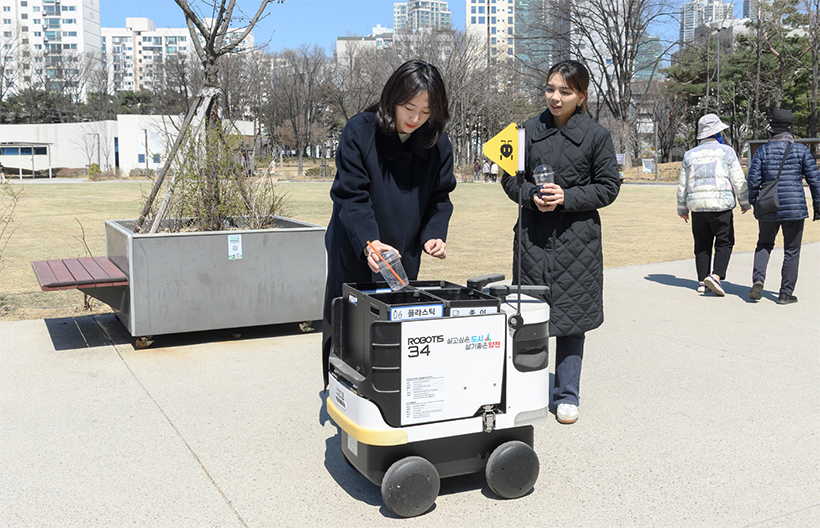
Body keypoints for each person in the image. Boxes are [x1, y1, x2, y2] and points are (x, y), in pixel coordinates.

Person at [321, 60, 456, 386]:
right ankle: (341, 392)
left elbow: (440, 198)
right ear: (391, 99)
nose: (415, 119)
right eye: (409, 108)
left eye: (426, 111)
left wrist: (433, 234)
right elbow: (351, 196)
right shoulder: (360, 130)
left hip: (402, 249)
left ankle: (385, 391)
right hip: (355, 242)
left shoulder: (437, 142)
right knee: (347, 320)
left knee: (393, 320)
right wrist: (369, 240)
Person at [501, 60, 620, 425]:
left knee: (571, 320)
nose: (555, 97)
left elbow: (608, 187)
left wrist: (566, 197)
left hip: (577, 242)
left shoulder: (598, 136)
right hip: (532, 238)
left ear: (581, 96)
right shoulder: (522, 132)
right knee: (528, 318)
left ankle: (567, 394)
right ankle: (527, 390)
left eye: (565, 91)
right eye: (551, 88)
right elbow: (508, 180)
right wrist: (530, 195)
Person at [746, 109, 820, 304]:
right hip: (795, 207)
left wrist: (754, 202)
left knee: (764, 244)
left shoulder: (762, 151)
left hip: (768, 206)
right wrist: (818, 207)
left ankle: (758, 280)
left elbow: (753, 181)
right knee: (791, 250)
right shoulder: (801, 150)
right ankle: (785, 294)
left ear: (772, 128)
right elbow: (815, 181)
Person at [677, 113, 750, 296]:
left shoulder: (689, 155)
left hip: (698, 206)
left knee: (702, 244)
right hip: (721, 204)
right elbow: (738, 178)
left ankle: (702, 281)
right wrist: (744, 201)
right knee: (725, 242)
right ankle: (715, 277)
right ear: (718, 132)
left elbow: (682, 184)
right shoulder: (726, 151)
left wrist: (682, 208)